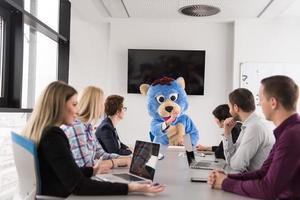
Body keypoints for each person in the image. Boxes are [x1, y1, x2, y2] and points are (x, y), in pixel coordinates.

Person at [22, 81, 165, 198]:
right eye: (74, 104)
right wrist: (131, 187)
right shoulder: (53, 136)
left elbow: (67, 172)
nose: (77, 110)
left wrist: (91, 171)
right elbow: (79, 186)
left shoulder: (43, 132)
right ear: (59, 106)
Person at [208, 75, 300, 199]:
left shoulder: (291, 136)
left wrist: (225, 182)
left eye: (261, 99)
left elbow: (268, 189)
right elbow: (263, 172)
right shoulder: (286, 132)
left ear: (273, 102)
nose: (259, 105)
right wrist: (227, 177)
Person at [62, 86, 130, 169]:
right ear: (94, 105)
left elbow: (101, 154)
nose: (104, 107)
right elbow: (86, 166)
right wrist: (116, 162)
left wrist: (126, 159)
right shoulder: (77, 127)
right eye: (102, 103)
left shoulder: (88, 127)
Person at [222, 88, 275, 172]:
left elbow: (237, 165)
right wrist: (227, 133)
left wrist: (233, 161)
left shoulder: (254, 127)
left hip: (256, 181)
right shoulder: (251, 124)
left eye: (229, 107)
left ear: (236, 107)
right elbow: (233, 159)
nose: (229, 111)